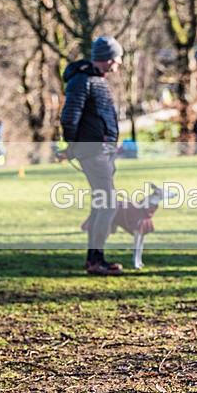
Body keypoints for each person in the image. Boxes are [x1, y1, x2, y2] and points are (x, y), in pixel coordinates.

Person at [61, 35, 125, 276]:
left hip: (103, 150)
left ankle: (95, 258)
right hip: (93, 150)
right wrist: (71, 145)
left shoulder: (97, 79)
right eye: (117, 58)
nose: (118, 64)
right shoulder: (82, 80)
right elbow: (70, 116)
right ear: (107, 59)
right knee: (108, 204)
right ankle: (96, 260)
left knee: (102, 205)